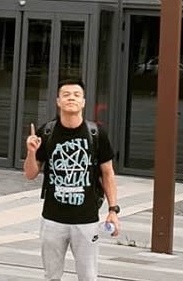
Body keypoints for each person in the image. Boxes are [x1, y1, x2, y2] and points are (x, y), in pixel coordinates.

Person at [24, 78, 120, 281]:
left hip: (86, 220)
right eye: (66, 95)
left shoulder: (96, 134)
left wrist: (113, 210)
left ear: (83, 102)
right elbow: (30, 174)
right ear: (58, 101)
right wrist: (31, 152)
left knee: (88, 276)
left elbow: (108, 173)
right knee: (51, 276)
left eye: (76, 95)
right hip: (52, 218)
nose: (71, 99)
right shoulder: (47, 132)